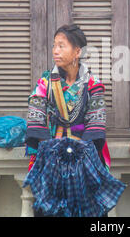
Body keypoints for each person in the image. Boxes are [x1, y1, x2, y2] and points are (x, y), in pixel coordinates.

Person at [25, 24, 109, 217]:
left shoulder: (93, 85)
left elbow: (96, 123)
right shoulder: (45, 83)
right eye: (54, 45)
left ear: (77, 51)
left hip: (84, 155)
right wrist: (53, 153)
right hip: (51, 153)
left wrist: (78, 157)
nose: (55, 51)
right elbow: (36, 115)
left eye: (61, 46)